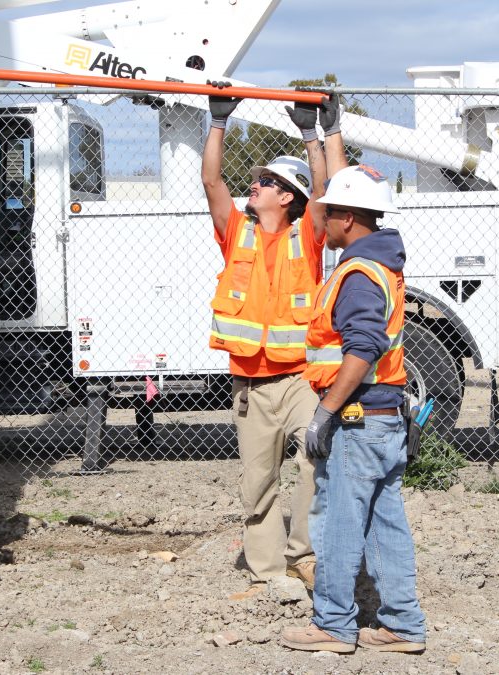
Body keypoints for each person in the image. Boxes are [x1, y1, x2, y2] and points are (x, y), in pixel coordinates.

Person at [281, 164, 427, 653]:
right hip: (384, 420)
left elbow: (361, 347)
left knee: (338, 523)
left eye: (326, 214)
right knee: (386, 525)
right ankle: (403, 624)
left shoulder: (359, 274)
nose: (320, 222)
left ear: (346, 218)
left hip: (358, 420)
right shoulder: (381, 266)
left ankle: (333, 624)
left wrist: (324, 413)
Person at [202, 84, 341, 597]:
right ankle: (268, 573)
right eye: (257, 178)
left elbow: (325, 193)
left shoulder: (306, 236)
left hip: (300, 380)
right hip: (251, 386)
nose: (253, 185)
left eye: (265, 181)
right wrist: (217, 121)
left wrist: (312, 134)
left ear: (287, 195)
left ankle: (302, 554)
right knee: (257, 483)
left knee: (314, 462)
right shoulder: (235, 231)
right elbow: (211, 180)